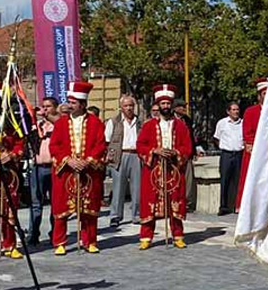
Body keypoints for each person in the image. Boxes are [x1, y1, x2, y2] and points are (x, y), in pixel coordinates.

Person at [49, 81, 107, 255]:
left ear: (82, 104)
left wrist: (88, 160)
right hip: (66, 171)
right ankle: (60, 242)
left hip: (88, 171)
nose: (69, 105)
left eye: (73, 103)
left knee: (88, 209)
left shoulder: (96, 122)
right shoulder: (60, 124)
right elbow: (55, 146)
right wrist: (68, 160)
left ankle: (90, 240)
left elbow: (100, 144)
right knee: (62, 208)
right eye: (69, 101)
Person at [136, 85, 194, 249]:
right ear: (158, 105)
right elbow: (141, 145)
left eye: (168, 104)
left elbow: (187, 146)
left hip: (173, 170)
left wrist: (175, 152)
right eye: (163, 104)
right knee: (150, 202)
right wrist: (154, 151)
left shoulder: (180, 125)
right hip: (154, 170)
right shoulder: (148, 126)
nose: (166, 107)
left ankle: (178, 235)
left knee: (175, 200)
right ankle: (146, 237)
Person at [0, 82, 27, 259]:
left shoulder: (11, 120)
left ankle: (10, 244)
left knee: (9, 207)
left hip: (9, 170)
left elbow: (19, 142)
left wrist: (13, 154)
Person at [104, 94, 142, 228]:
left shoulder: (140, 122)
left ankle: (136, 214)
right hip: (119, 155)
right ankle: (115, 215)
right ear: (121, 107)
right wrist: (108, 155)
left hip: (136, 155)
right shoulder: (113, 122)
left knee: (137, 187)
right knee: (118, 187)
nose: (129, 108)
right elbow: (106, 140)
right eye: (126, 106)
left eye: (131, 105)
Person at [27, 97, 60, 246]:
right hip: (38, 167)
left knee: (55, 203)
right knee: (36, 203)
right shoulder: (38, 125)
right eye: (43, 106)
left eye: (48, 107)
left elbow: (60, 127)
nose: (45, 109)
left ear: (55, 108)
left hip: (54, 167)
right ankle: (33, 234)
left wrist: (48, 117)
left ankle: (56, 234)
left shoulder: (59, 124)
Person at [236, 77, 267, 210]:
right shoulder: (251, 111)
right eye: (265, 94)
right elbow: (248, 134)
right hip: (255, 153)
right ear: (259, 95)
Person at [212, 102, 244, 214]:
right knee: (224, 180)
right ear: (228, 111)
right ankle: (223, 206)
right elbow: (216, 138)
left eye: (237, 109)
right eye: (233, 110)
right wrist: (224, 146)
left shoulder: (243, 123)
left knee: (238, 180)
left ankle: (237, 205)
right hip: (226, 154)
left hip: (239, 153)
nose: (236, 112)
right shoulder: (222, 123)